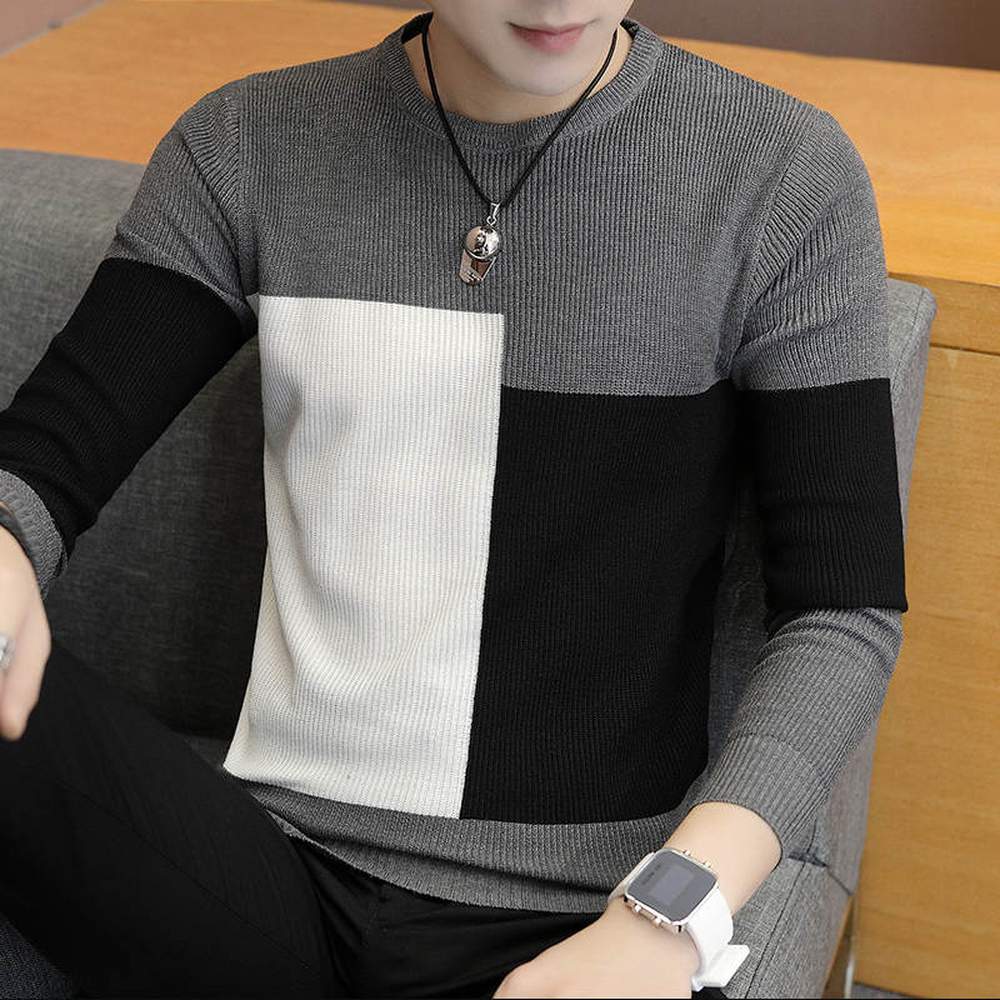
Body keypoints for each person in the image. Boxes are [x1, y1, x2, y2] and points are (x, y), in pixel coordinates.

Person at [0, 1, 908, 997]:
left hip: (577, 918)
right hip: (264, 870)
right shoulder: (247, 143)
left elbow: (841, 609)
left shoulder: (780, 174)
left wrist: (667, 917)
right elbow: (49, 456)